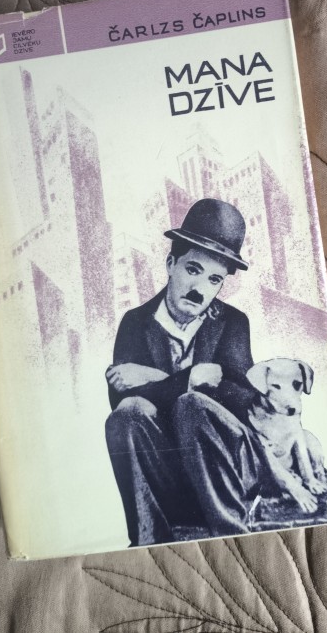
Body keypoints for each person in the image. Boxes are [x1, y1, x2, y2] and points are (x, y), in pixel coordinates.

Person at [104, 199, 276, 545]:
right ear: (171, 264)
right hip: (170, 474)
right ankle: (147, 540)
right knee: (130, 413)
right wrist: (194, 377)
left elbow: (242, 401)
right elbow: (121, 399)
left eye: (214, 280)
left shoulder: (232, 323)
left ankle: (233, 533)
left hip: (228, 470)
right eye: (193, 270)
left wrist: (155, 380)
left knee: (192, 405)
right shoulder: (135, 322)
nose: (200, 289)